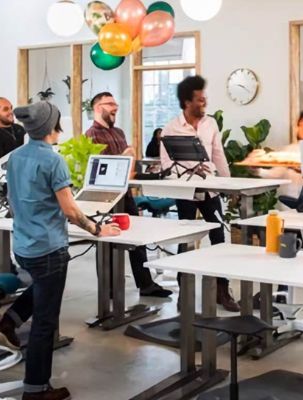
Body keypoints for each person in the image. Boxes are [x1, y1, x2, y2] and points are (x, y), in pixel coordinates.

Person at [0, 100, 121, 400]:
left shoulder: (15, 157)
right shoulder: (52, 161)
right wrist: (98, 229)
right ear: (52, 126)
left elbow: (14, 199)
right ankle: (35, 390)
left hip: (23, 244)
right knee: (45, 321)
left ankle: (8, 322)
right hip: (47, 248)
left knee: (41, 287)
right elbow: (70, 211)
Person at [159, 75, 239, 312]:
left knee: (218, 239)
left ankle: (222, 291)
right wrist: (184, 177)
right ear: (187, 102)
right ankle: (184, 294)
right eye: (199, 100)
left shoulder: (210, 124)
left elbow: (218, 156)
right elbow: (166, 164)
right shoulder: (171, 128)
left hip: (210, 189)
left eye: (205, 99)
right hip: (185, 192)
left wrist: (229, 185)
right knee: (185, 243)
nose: (204, 103)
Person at [85, 92, 171, 298]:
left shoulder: (119, 133)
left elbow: (128, 167)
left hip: (126, 194)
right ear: (98, 108)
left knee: (137, 238)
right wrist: (124, 157)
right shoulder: (91, 136)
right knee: (107, 242)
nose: (115, 107)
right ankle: (109, 290)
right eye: (109, 104)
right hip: (106, 198)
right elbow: (105, 169)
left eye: (115, 103)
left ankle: (146, 284)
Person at [263, 109, 303, 211]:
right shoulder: (289, 150)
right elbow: (275, 174)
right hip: (290, 203)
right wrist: (257, 170)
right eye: (301, 125)